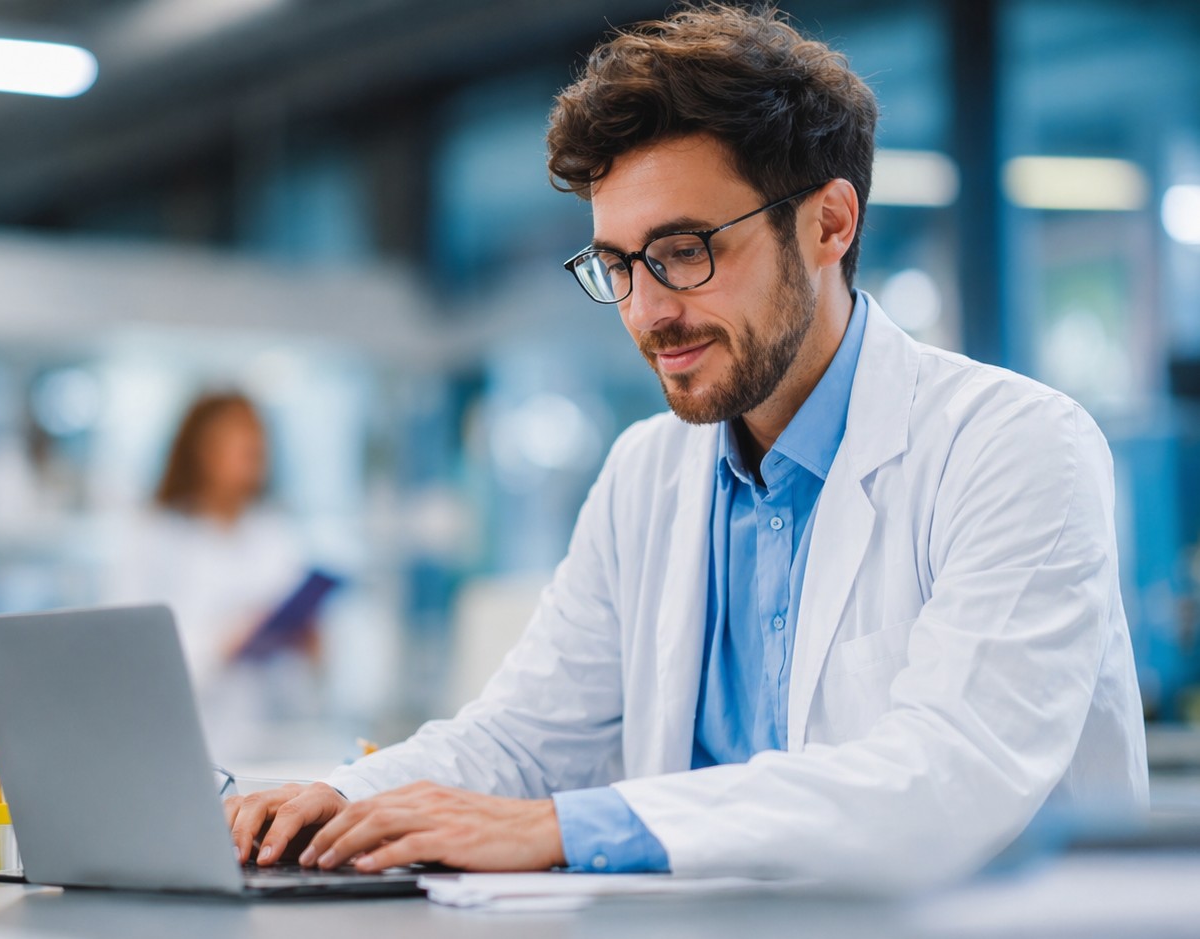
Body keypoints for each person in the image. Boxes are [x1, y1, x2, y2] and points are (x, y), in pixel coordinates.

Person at [226, 5, 1146, 888]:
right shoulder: (645, 470)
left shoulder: (1015, 444)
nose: (648, 310)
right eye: (619, 264)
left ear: (829, 222)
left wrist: (567, 827)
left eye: (685, 249)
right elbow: (523, 738)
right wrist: (331, 801)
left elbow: (947, 776)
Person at [102, 391, 317, 765]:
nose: (252, 450)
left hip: (266, 739)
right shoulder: (155, 534)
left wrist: (309, 642)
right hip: (182, 738)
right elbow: (130, 650)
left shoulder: (276, 535)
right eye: (238, 441)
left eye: (257, 441)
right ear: (201, 450)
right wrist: (223, 644)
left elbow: (299, 683)